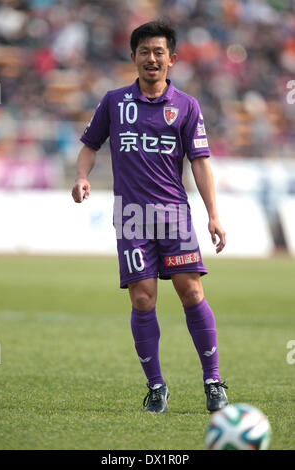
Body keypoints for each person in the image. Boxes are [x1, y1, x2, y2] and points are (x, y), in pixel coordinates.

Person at [72, 20, 228, 414]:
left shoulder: (187, 106)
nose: (152, 58)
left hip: (173, 215)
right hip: (130, 217)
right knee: (143, 299)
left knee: (191, 292)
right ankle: (156, 386)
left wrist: (213, 214)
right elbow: (90, 145)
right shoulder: (113, 102)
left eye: (159, 52)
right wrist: (81, 177)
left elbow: (201, 162)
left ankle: (213, 380)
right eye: (144, 52)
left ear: (172, 59)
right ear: (134, 58)